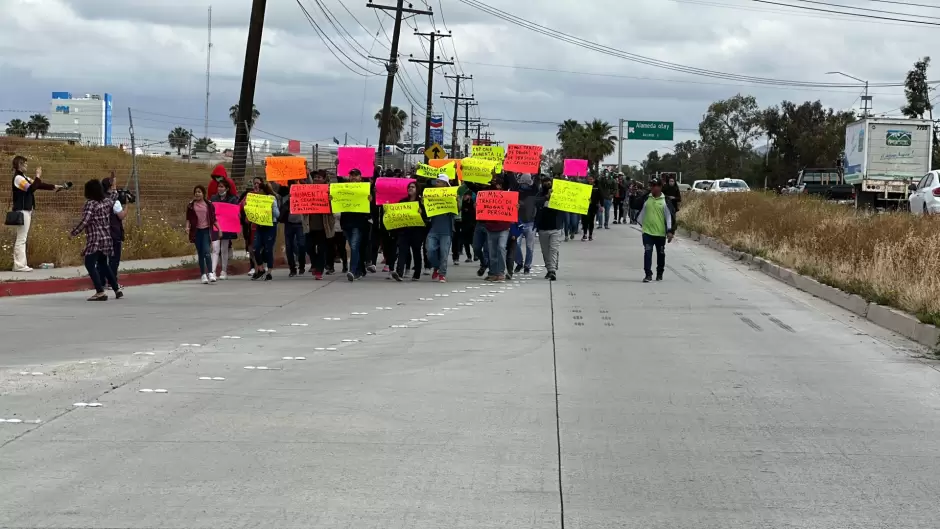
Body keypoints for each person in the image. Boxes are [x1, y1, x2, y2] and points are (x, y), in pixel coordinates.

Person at [69, 179, 123, 301]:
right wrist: (114, 186)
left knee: (89, 264)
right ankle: (116, 289)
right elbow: (114, 195)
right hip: (106, 238)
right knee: (104, 264)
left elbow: (85, 221)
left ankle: (100, 291)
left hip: (96, 239)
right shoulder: (106, 201)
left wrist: (73, 233)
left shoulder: (90, 204)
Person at [9, 155, 65, 272]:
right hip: (22, 210)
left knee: (22, 237)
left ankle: (20, 264)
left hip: (26, 210)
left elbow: (38, 185)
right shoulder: (18, 178)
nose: (27, 165)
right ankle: (19, 265)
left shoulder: (23, 177)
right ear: (19, 164)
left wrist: (55, 186)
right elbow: (31, 189)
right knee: (21, 238)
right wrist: (38, 176)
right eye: (25, 163)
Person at [637, 177, 675, 283]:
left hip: (660, 233)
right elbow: (635, 205)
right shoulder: (646, 198)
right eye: (651, 186)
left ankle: (659, 273)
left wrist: (670, 231)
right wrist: (634, 195)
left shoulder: (665, 201)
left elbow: (669, 217)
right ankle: (648, 274)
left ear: (660, 187)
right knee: (647, 252)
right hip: (647, 232)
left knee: (661, 254)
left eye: (654, 186)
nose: (652, 188)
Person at [340, 168, 371, 281]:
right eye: (351, 175)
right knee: (355, 247)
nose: (353, 177)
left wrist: (370, 200)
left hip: (359, 223)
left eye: (356, 175)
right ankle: (359, 270)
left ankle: (352, 270)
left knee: (354, 246)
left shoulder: (365, 190)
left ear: (360, 178)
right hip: (346, 222)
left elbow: (371, 207)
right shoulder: (343, 189)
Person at [391, 181, 425, 282]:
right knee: (402, 251)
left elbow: (426, 217)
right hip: (404, 231)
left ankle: (417, 273)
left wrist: (422, 212)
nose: (410, 188)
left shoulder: (421, 202)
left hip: (417, 231)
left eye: (413, 187)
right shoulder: (403, 202)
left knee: (416, 252)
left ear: (417, 189)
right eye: (409, 187)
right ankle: (399, 273)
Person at [186, 185, 220, 284]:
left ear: (203, 194)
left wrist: (219, 229)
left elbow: (213, 219)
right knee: (200, 253)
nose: (197, 194)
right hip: (196, 231)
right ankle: (203, 275)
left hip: (206, 231)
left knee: (206, 251)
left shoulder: (209, 205)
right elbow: (188, 218)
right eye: (196, 192)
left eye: (199, 192)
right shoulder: (191, 205)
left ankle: (210, 273)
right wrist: (187, 227)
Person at [425, 174, 456, 283]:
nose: (436, 184)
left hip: (446, 231)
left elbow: (457, 210)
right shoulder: (431, 195)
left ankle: (442, 274)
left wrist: (456, 201)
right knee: (429, 250)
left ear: (445, 184)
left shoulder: (452, 195)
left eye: (439, 182)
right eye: (436, 182)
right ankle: (436, 267)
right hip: (434, 229)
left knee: (444, 253)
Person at [303, 171, 333, 280]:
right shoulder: (308, 190)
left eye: (319, 177)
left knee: (321, 249)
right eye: (315, 177)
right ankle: (315, 264)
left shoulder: (329, 191)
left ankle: (319, 271)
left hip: (323, 227)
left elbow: (334, 209)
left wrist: (330, 201)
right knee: (308, 247)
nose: (316, 179)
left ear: (324, 179)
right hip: (309, 226)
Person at [101, 174, 128, 290]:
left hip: (103, 233)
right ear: (110, 186)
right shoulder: (114, 201)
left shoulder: (100, 198)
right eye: (114, 184)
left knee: (102, 259)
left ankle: (102, 281)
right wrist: (127, 206)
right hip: (114, 232)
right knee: (114, 259)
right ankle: (112, 283)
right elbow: (121, 216)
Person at [535, 176, 565, 281]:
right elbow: (536, 202)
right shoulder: (540, 195)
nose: (548, 184)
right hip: (543, 228)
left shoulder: (559, 195)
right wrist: (546, 197)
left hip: (555, 228)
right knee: (545, 251)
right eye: (545, 182)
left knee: (553, 249)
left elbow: (570, 204)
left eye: (549, 182)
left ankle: (552, 270)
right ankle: (549, 269)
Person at [209, 178, 239, 280]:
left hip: (227, 227)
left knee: (224, 249)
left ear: (227, 188)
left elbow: (235, 212)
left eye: (222, 187)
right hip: (216, 226)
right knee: (215, 248)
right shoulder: (213, 198)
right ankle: (212, 271)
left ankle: (224, 270)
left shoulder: (233, 199)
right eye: (219, 186)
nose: (219, 188)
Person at [249, 181, 279, 281]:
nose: (258, 191)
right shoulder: (256, 199)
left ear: (263, 190)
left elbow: (277, 214)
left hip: (270, 226)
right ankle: (261, 268)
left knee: (268, 249)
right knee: (255, 248)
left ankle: (269, 272)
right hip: (260, 226)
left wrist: (271, 208)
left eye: (259, 189)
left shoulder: (272, 198)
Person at [483, 178, 511, 282]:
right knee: (492, 252)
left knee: (501, 248)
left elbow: (513, 208)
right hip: (491, 227)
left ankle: (501, 272)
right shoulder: (487, 194)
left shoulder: (508, 196)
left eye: (499, 184)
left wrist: (515, 207)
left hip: (503, 227)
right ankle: (494, 273)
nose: (497, 186)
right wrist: (477, 207)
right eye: (496, 184)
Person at [513, 173, 539, 275]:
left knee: (530, 247)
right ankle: (519, 262)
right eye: (523, 183)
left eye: (526, 183)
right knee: (515, 245)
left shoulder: (534, 191)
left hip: (530, 223)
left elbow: (537, 181)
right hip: (518, 222)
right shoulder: (516, 191)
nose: (525, 185)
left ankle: (527, 266)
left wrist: (537, 166)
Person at [280, 184, 306, 277]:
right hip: (289, 224)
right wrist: (289, 201)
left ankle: (302, 265)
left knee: (302, 245)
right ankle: (292, 268)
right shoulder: (287, 199)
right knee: (289, 246)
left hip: (300, 225)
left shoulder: (304, 199)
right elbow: (282, 209)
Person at [239, 177, 263, 275]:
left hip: (263, 225)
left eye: (258, 183)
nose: (256, 185)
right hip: (251, 226)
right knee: (251, 246)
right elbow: (241, 205)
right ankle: (253, 266)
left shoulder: (265, 195)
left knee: (261, 247)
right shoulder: (249, 195)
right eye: (254, 183)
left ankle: (261, 265)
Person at [458, 185, 475, 263]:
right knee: (465, 242)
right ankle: (469, 256)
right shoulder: (463, 203)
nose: (464, 196)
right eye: (464, 195)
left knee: (472, 242)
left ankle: (476, 255)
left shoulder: (473, 203)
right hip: (464, 224)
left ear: (470, 196)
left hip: (472, 225)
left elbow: (474, 213)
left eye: (466, 195)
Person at [582, 175, 602, 241]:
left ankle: (590, 235)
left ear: (594, 180)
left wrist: (601, 206)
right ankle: (585, 234)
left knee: (591, 220)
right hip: (585, 206)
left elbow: (600, 197)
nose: (590, 180)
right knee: (585, 220)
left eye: (591, 179)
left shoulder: (597, 187)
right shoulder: (585, 186)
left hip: (594, 206)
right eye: (589, 179)